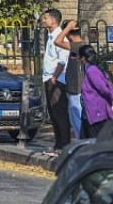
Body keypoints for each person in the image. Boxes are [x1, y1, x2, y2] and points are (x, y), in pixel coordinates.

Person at [41, 9, 72, 151]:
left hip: (57, 80)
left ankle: (64, 144)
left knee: (59, 113)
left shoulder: (60, 37)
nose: (43, 20)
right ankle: (58, 143)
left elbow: (62, 61)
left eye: (46, 18)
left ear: (54, 20)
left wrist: (54, 77)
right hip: (49, 78)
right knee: (53, 113)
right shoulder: (50, 36)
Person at [80, 45, 113, 140]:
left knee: (95, 141)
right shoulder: (90, 69)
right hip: (90, 112)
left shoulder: (92, 71)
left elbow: (103, 88)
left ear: (84, 58)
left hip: (96, 112)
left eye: (80, 57)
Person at [62, 23, 89, 139]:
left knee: (76, 118)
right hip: (77, 88)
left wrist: (67, 28)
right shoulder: (83, 46)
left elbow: (57, 41)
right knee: (77, 118)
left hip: (76, 89)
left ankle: (81, 142)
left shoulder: (75, 46)